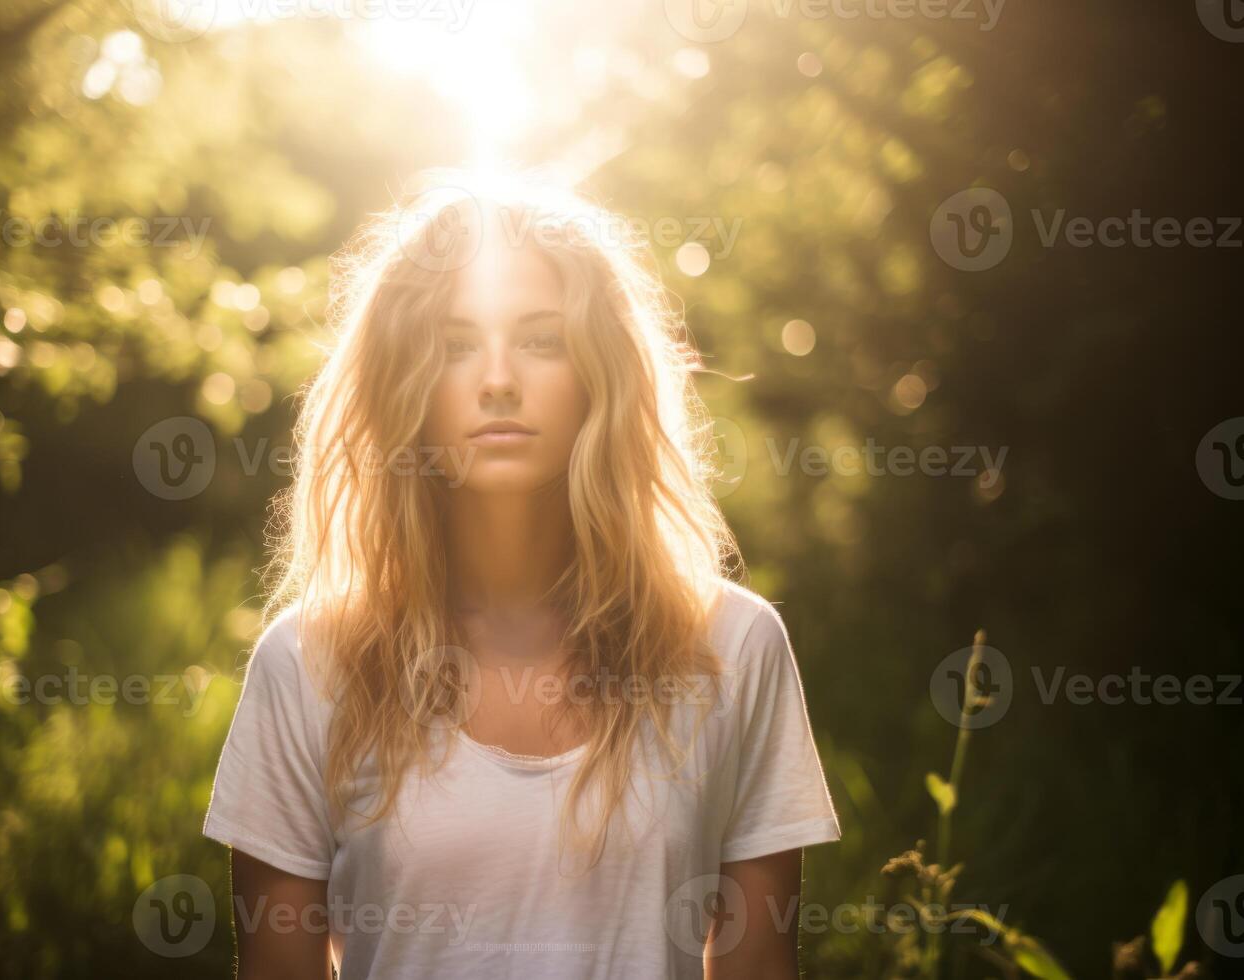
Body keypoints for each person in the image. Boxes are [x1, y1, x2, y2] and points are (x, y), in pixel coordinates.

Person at [202, 168, 841, 979]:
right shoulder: (307, 664)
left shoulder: (733, 647)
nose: (497, 379)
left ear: (599, 375)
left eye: (542, 339)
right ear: (405, 382)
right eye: (454, 344)